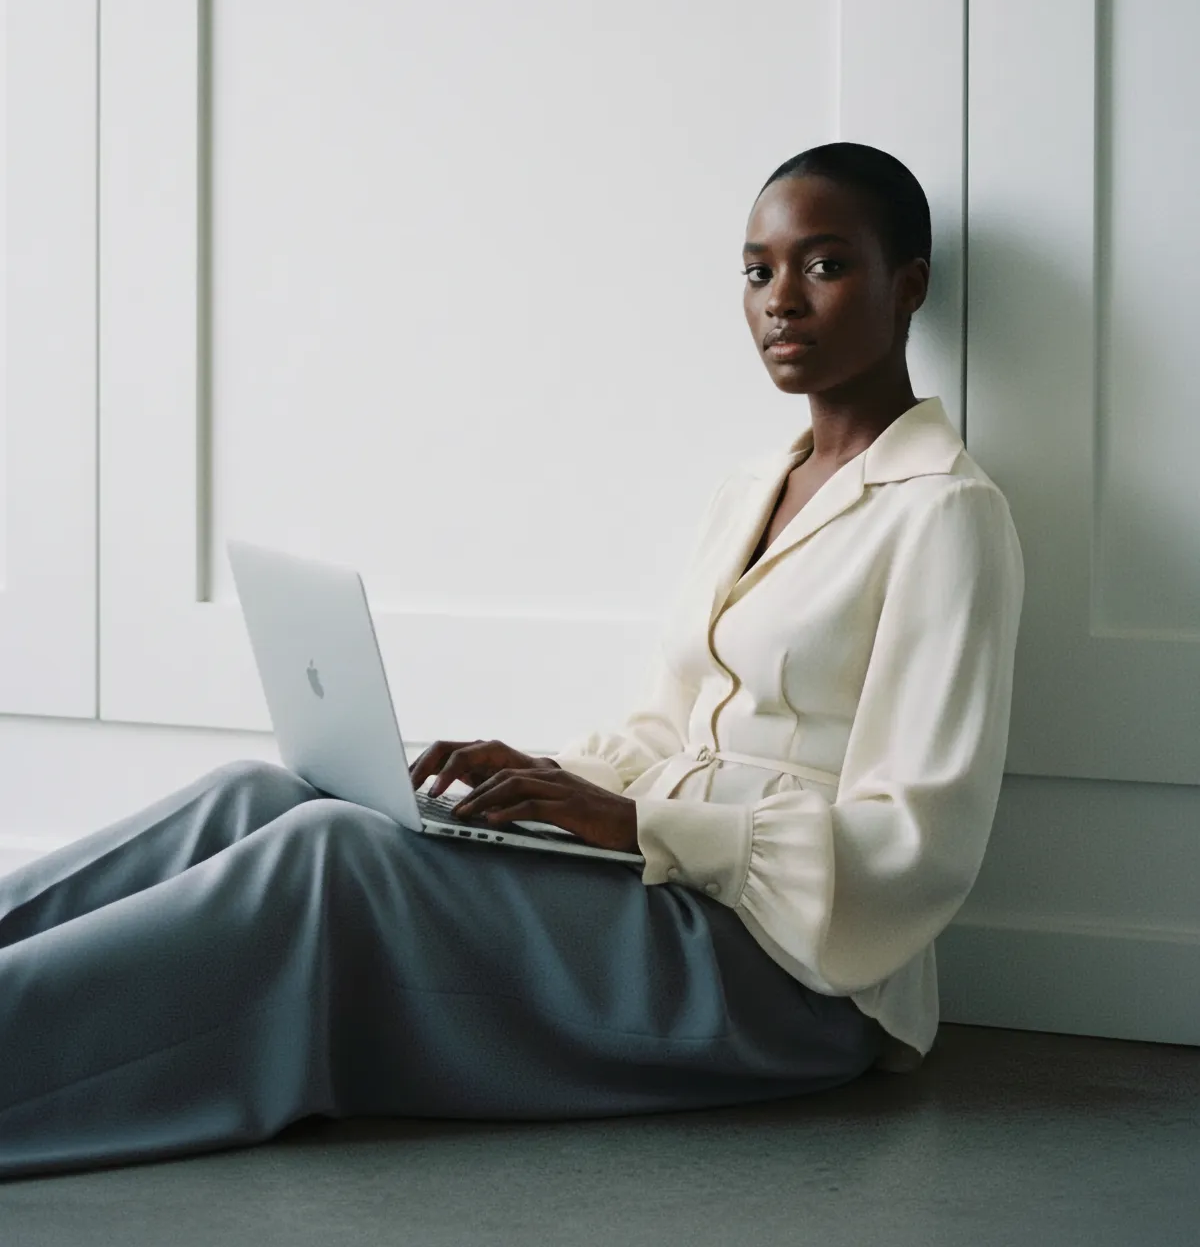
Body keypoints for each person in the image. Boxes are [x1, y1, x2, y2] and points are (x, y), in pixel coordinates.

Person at [0, 141, 1024, 1180]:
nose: (781, 302)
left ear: (909, 287)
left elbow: (918, 844)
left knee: (331, 858)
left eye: (824, 265)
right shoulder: (756, 485)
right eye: (758, 271)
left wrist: (637, 822)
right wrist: (544, 780)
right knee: (257, 794)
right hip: (659, 877)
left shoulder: (948, 513)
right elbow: (670, 726)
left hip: (788, 976)